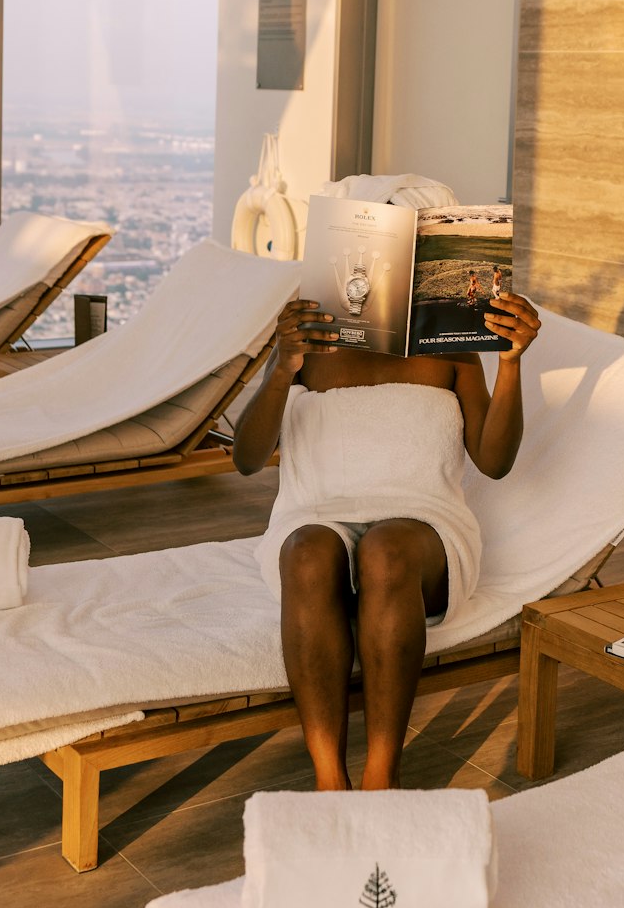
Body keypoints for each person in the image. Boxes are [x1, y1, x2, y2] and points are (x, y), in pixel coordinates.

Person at [232, 289, 541, 792]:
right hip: (316, 515)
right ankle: (329, 778)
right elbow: (246, 459)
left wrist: (510, 363)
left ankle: (382, 774)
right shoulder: (309, 343)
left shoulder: (453, 348)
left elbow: (495, 461)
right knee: (307, 551)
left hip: (423, 527)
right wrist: (283, 366)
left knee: (387, 548)